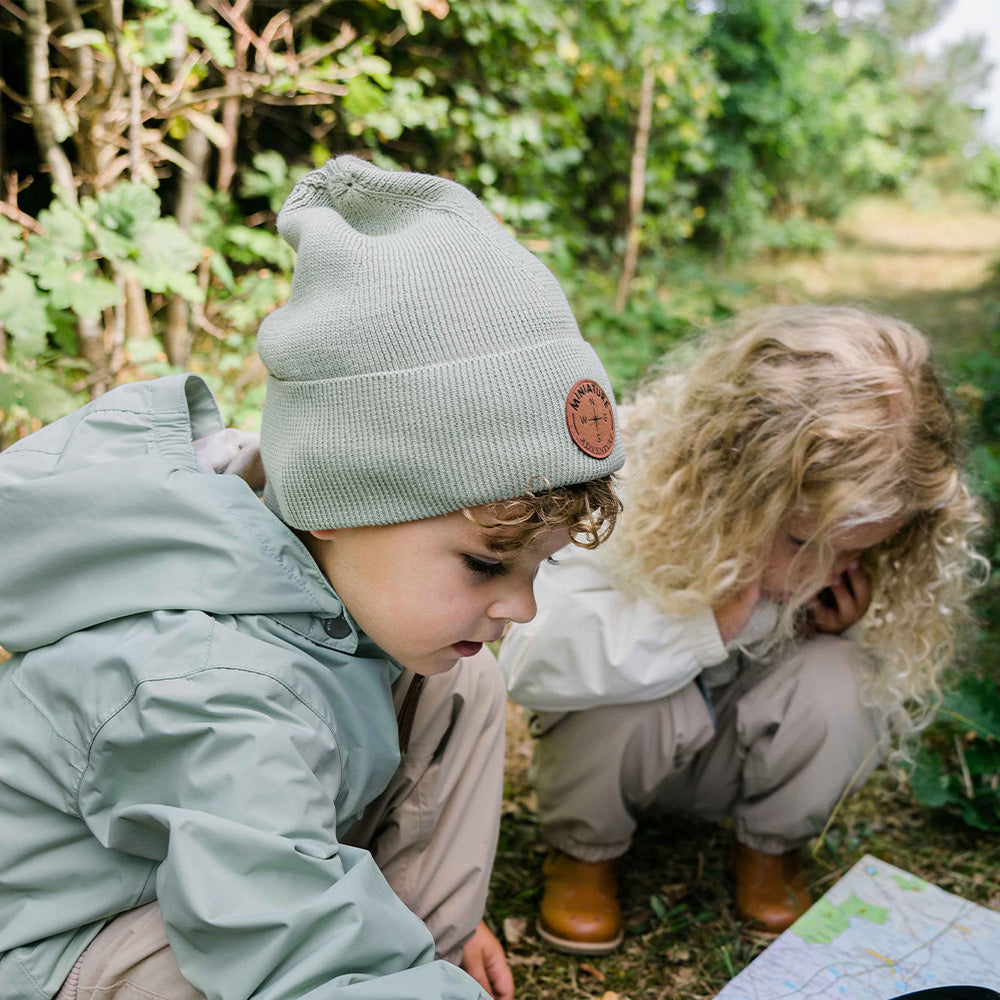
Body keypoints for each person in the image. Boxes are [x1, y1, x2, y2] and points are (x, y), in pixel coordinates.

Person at [0, 155, 625, 1000]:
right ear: (336, 496)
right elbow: (282, 945)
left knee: (461, 679)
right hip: (70, 941)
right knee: (202, 978)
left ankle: (414, 955)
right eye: (485, 562)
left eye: (534, 566)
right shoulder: (208, 688)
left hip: (237, 865)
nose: (519, 603)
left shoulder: (351, 573)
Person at [499, 305, 986, 954]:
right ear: (738, 491)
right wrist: (701, 625)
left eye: (854, 552)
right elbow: (530, 664)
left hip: (733, 759)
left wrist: (845, 634)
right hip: (616, 760)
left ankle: (769, 850)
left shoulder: (832, 568)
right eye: (803, 541)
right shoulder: (629, 502)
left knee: (845, 679)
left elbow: (851, 710)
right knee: (633, 698)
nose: (827, 570)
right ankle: (584, 852)